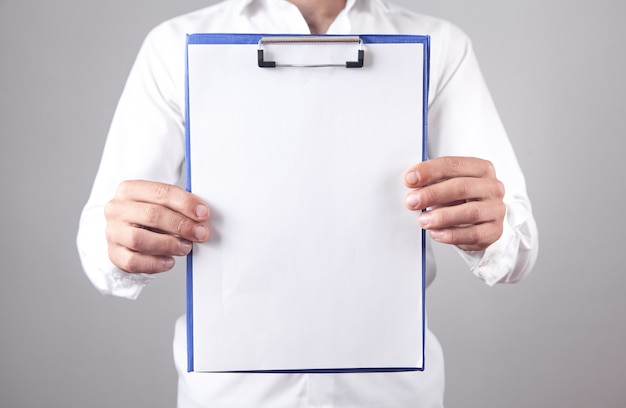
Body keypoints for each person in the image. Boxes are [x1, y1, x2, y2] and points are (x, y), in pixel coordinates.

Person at [77, 0, 539, 406]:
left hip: (393, 396)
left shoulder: (442, 46)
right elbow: (103, 239)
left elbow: (517, 247)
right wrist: (122, 240)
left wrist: (489, 227)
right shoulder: (173, 45)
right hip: (230, 398)